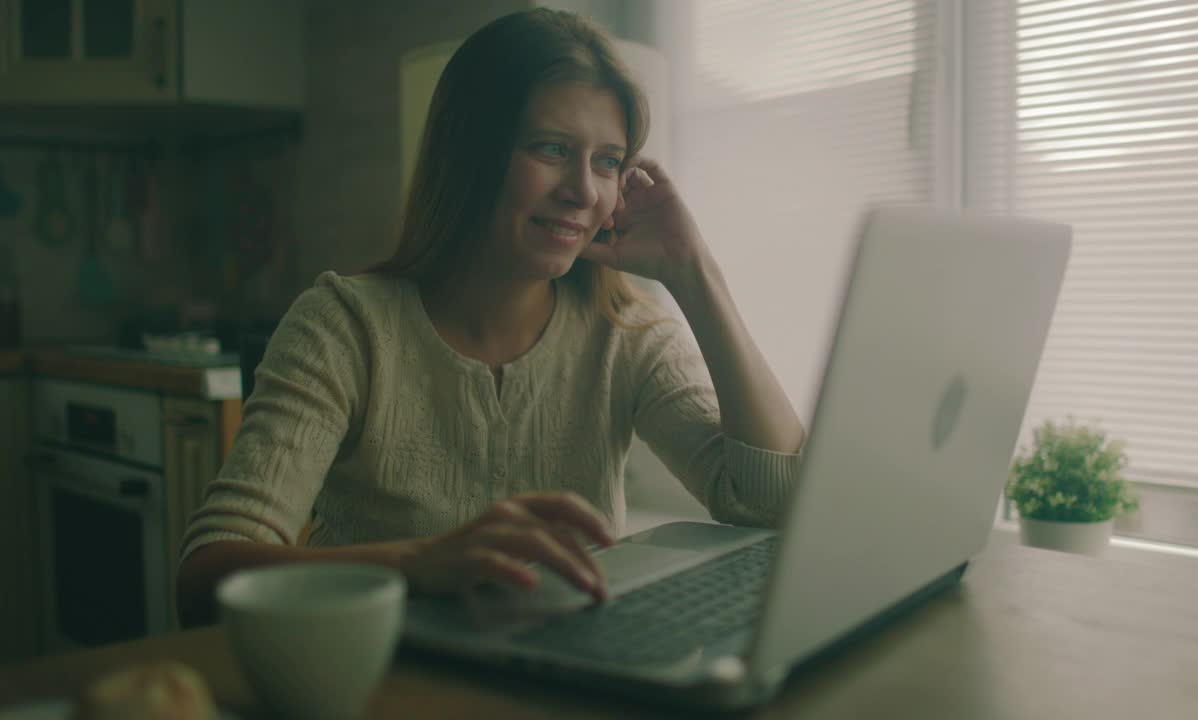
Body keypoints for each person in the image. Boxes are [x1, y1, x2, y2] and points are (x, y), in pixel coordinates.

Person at [175, 8, 805, 627]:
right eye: (552, 148)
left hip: (567, 678)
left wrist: (695, 271)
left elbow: (772, 502)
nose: (584, 191)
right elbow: (205, 578)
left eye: (608, 161)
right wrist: (418, 563)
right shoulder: (344, 327)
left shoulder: (628, 335)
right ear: (469, 153)